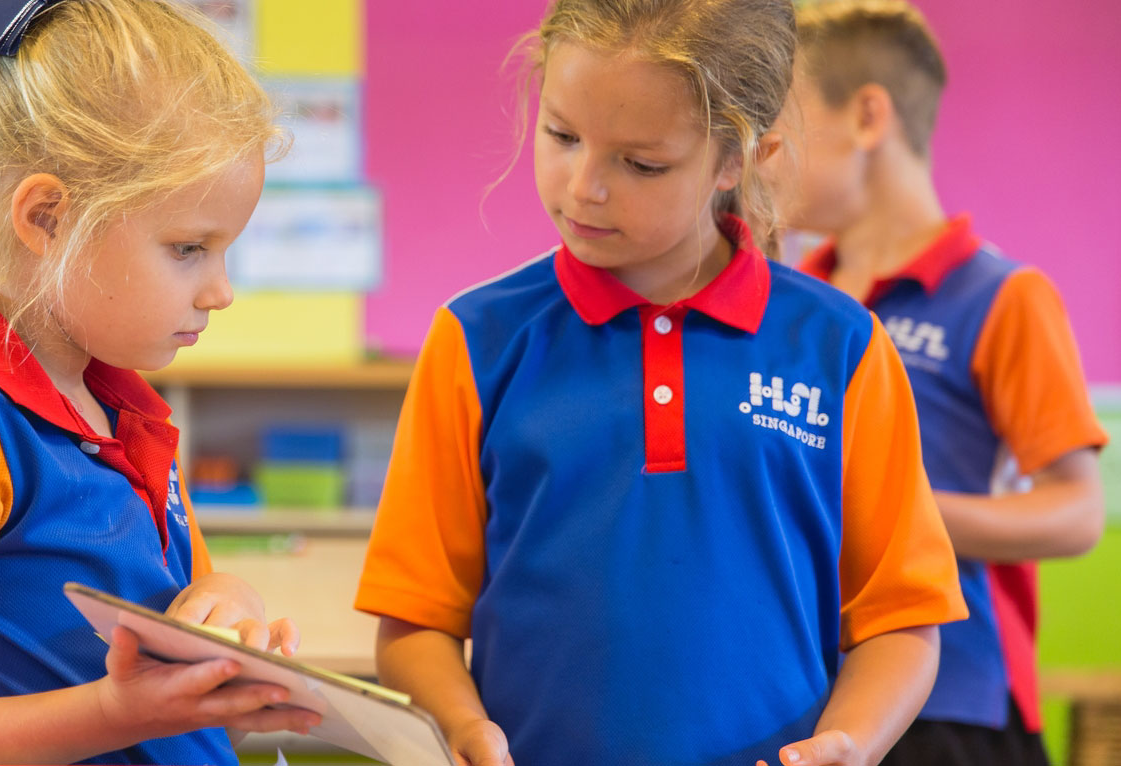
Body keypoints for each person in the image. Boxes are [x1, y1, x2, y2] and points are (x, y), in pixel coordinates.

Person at [355, 1, 969, 764]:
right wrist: (460, 724)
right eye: (562, 135)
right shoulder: (477, 341)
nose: (584, 186)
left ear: (741, 157)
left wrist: (851, 743)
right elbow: (415, 620)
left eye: (641, 163)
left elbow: (901, 620)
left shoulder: (841, 348)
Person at [0, 2, 320, 763]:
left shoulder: (121, 409)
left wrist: (228, 614)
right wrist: (117, 713)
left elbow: (183, 609)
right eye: (189, 248)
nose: (220, 291)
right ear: (47, 217)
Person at [776, 3, 1108, 764]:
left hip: (959, 699)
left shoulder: (1003, 295)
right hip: (818, 700)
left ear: (867, 116)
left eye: (782, 121)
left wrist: (898, 513)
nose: (761, 149)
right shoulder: (797, 301)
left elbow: (1078, 512)